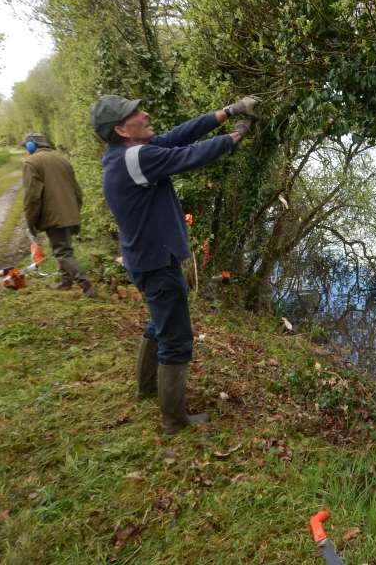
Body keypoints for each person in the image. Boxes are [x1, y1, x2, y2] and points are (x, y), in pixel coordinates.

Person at [90, 94, 257, 434]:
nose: (145, 113)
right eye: (136, 113)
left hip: (145, 259)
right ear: (121, 129)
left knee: (159, 324)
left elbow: (178, 136)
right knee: (176, 340)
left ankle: (147, 389)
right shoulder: (137, 157)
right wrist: (237, 134)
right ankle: (174, 420)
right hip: (156, 263)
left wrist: (229, 111)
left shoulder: (125, 155)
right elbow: (190, 154)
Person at [21, 132, 96, 297]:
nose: (25, 150)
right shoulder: (62, 160)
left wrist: (30, 221)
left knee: (62, 252)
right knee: (64, 249)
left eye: (25, 147)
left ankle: (87, 286)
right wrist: (75, 211)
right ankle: (65, 283)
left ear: (31, 146)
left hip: (53, 215)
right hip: (69, 213)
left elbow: (32, 197)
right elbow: (77, 191)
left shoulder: (31, 162)